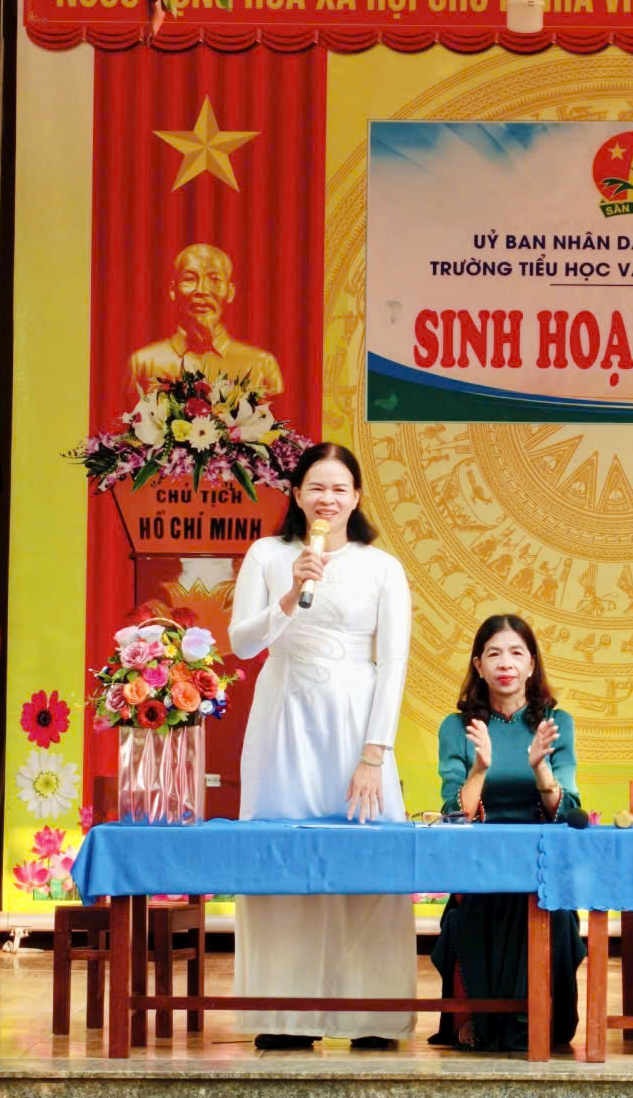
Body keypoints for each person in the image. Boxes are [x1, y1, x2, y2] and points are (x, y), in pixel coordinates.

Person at [227, 443, 413, 1050]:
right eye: (316, 487)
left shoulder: (382, 567)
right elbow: (242, 645)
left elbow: (393, 665)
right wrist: (289, 595)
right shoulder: (267, 554)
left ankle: (372, 1016)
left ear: (356, 497)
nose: (327, 499)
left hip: (355, 726)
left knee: (368, 864)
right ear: (296, 493)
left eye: (339, 488)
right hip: (283, 723)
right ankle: (284, 1014)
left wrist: (374, 754)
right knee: (283, 860)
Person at [429, 614, 585, 1052]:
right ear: (478, 665)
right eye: (494, 653)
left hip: (540, 860)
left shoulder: (555, 721)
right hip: (479, 860)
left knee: (544, 904)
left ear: (532, 664)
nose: (505, 663)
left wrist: (541, 768)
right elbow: (454, 813)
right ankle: (477, 1018)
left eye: (516, 653)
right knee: (471, 908)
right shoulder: (457, 726)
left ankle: (533, 1018)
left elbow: (567, 808)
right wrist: (480, 768)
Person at [128, 242, 286, 396]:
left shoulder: (261, 365)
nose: (202, 290)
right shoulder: (144, 364)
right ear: (173, 290)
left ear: (230, 292)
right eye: (189, 279)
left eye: (215, 280)